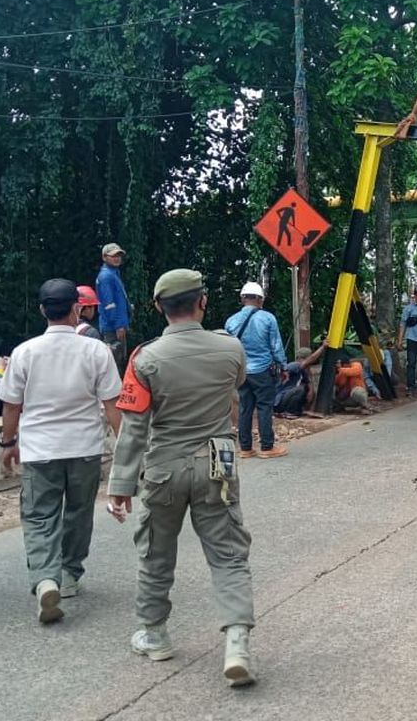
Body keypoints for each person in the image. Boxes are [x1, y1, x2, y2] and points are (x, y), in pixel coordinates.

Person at [107, 268, 257, 688]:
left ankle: (154, 635)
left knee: (156, 552)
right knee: (228, 552)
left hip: (163, 466)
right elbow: (237, 386)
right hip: (218, 462)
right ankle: (237, 642)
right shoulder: (230, 350)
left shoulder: (145, 358)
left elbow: (133, 428)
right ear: (203, 301)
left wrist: (120, 486)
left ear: (158, 307)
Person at [0, 278, 123, 624]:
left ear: (42, 310)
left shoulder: (25, 352)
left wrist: (8, 444)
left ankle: (45, 578)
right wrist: (125, 448)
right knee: (79, 513)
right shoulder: (96, 351)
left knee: (39, 516)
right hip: (84, 448)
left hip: (40, 450)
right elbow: (113, 404)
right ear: (77, 309)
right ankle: (68, 575)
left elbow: (11, 406)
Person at [223, 282, 288, 458]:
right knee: (264, 407)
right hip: (262, 371)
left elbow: (229, 349)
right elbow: (276, 346)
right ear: (260, 299)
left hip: (241, 372)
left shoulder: (231, 321)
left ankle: (245, 448)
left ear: (243, 298)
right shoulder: (268, 318)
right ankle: (267, 447)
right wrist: (283, 366)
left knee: (245, 407)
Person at [96, 243, 131, 368]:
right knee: (115, 364)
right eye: (113, 255)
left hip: (116, 325)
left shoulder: (113, 273)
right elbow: (109, 304)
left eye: (119, 255)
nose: (117, 258)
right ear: (104, 257)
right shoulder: (106, 276)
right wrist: (118, 325)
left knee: (120, 360)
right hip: (112, 328)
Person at [275, 342, 327, 418]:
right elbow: (307, 362)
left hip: (288, 398)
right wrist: (323, 347)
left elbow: (310, 386)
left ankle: (302, 411)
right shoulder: (293, 365)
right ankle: (290, 412)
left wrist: (311, 390)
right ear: (299, 358)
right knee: (300, 389)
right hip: (279, 402)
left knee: (309, 390)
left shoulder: (304, 371)